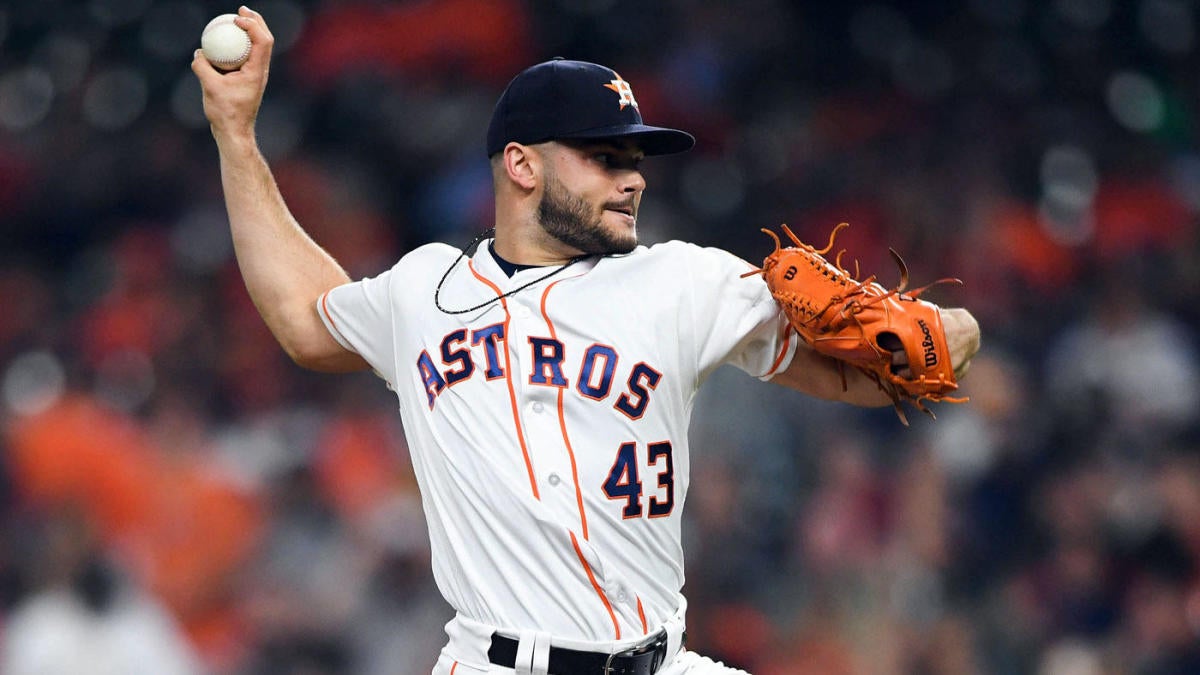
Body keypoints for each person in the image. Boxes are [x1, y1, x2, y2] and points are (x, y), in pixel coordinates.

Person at [193, 7, 981, 674]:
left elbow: (899, 370)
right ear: (521, 165)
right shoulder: (423, 290)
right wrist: (236, 136)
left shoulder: (684, 280)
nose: (631, 178)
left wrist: (945, 331)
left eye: (633, 159)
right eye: (604, 158)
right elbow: (304, 316)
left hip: (661, 656)